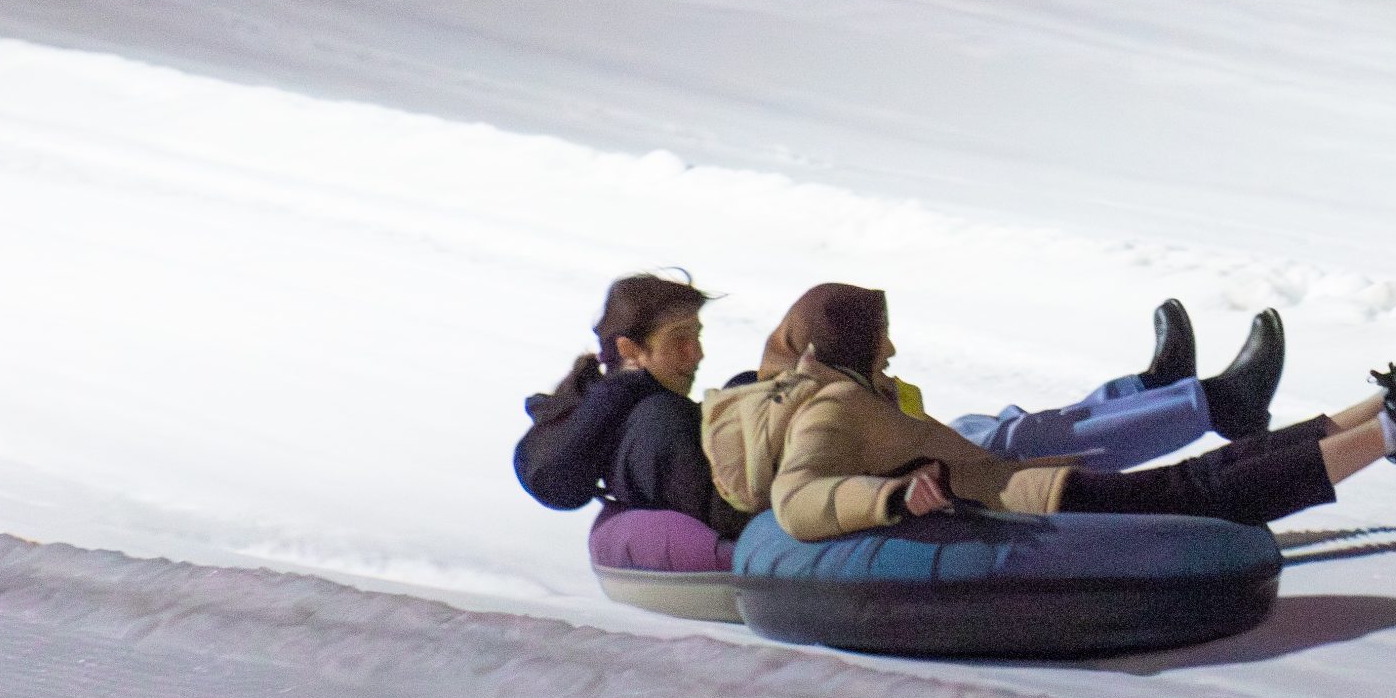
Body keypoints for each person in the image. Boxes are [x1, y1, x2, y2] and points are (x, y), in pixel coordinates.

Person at [515, 274, 1290, 547]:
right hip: (836, 475)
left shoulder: (656, 409)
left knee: (999, 425)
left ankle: (1156, 391)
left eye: (696, 337)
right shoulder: (632, 415)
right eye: (679, 341)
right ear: (628, 348)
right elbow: (548, 477)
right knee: (1005, 448)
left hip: (828, 444)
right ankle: (1210, 404)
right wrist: (624, 384)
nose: (694, 355)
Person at [704, 283, 1396, 545]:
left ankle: (1382, 414)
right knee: (1203, 494)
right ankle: (1395, 433)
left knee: (1206, 477)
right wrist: (891, 497)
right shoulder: (829, 407)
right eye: (879, 335)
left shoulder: (828, 394)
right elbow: (798, 501)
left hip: (1017, 485)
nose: (892, 346)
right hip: (1021, 502)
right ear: (844, 345)